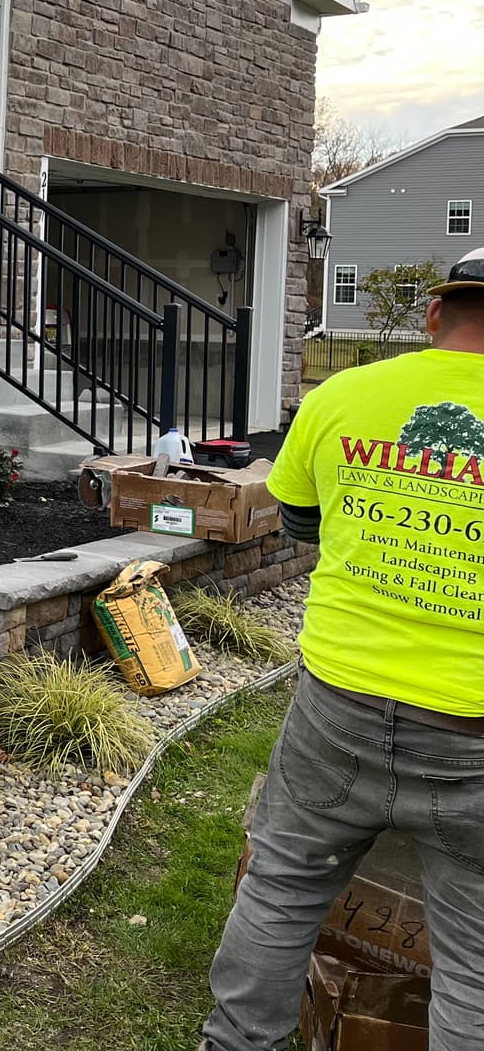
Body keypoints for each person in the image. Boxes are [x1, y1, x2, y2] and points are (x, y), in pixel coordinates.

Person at [203, 252, 484, 1050]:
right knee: (475, 961)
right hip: (474, 731)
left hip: (340, 708)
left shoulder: (346, 396)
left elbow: (298, 519)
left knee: (284, 886)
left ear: (435, 316)